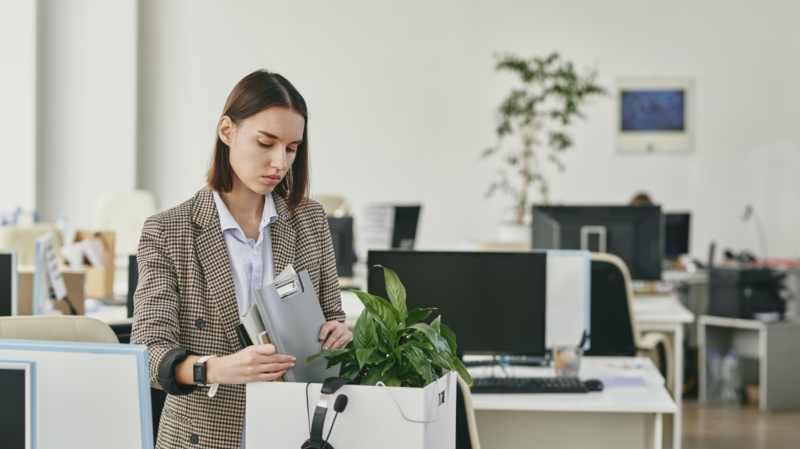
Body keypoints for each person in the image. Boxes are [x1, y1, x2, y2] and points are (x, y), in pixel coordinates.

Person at [131, 70, 352, 449]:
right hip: (202, 438)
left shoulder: (311, 220)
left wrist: (339, 333)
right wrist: (218, 368)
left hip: (296, 431)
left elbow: (334, 318)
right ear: (227, 131)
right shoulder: (167, 231)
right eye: (266, 143)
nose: (280, 162)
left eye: (291, 148)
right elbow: (149, 354)